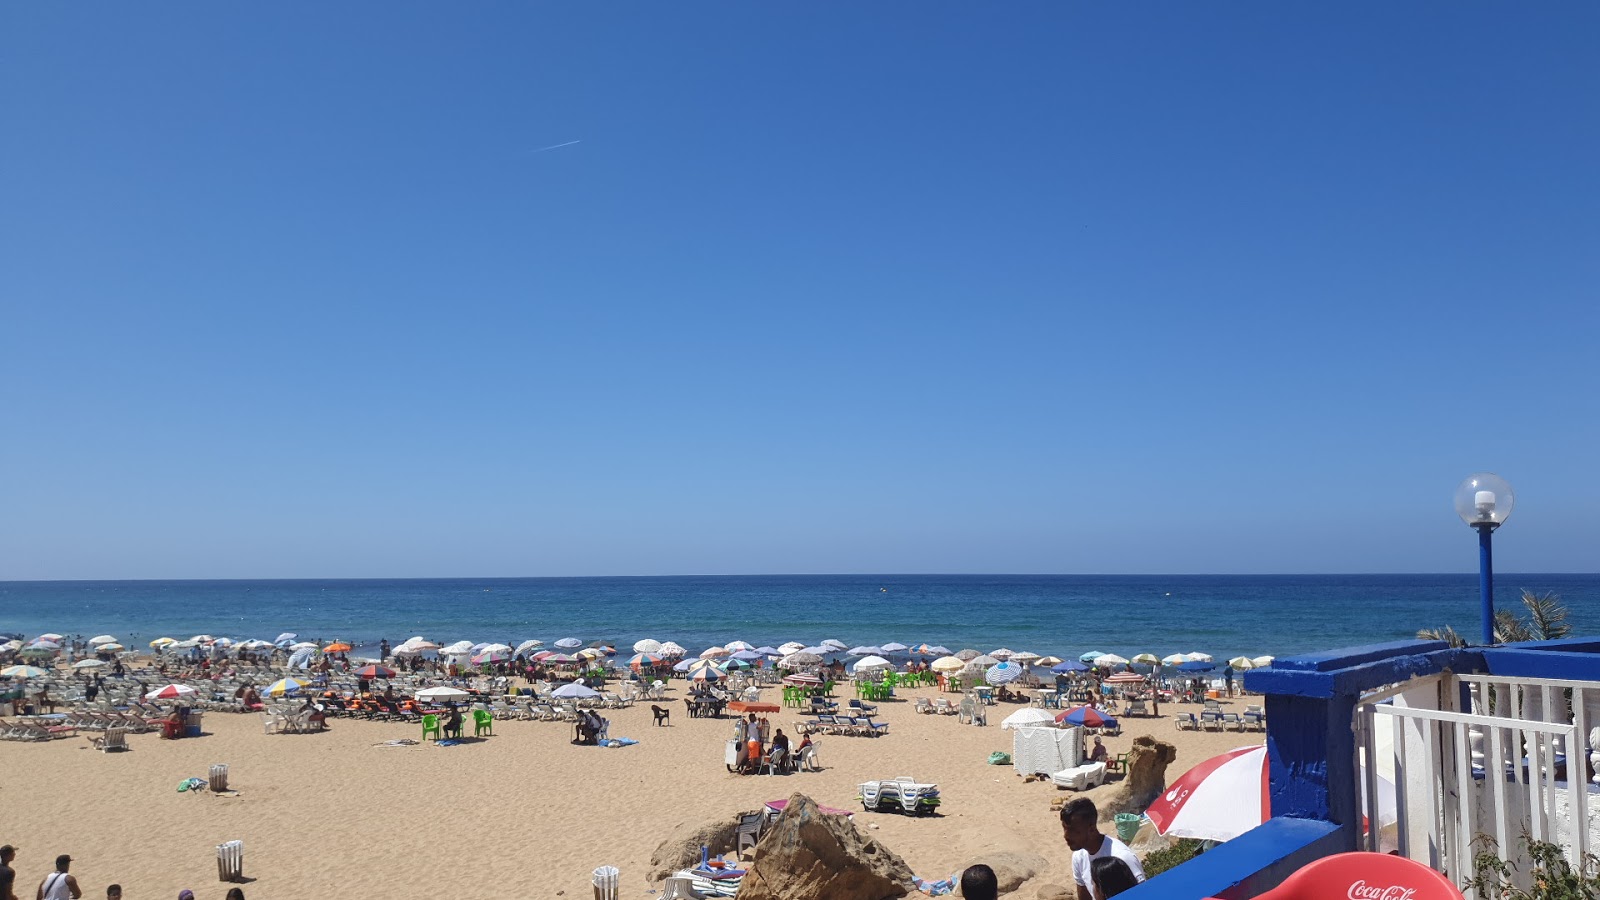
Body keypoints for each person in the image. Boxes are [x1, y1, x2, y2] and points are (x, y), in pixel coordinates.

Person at [1059, 798, 1144, 900]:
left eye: (1072, 830)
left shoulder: (1122, 858)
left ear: (1091, 829)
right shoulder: (1078, 857)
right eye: (1064, 828)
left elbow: (1142, 895)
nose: (1065, 835)